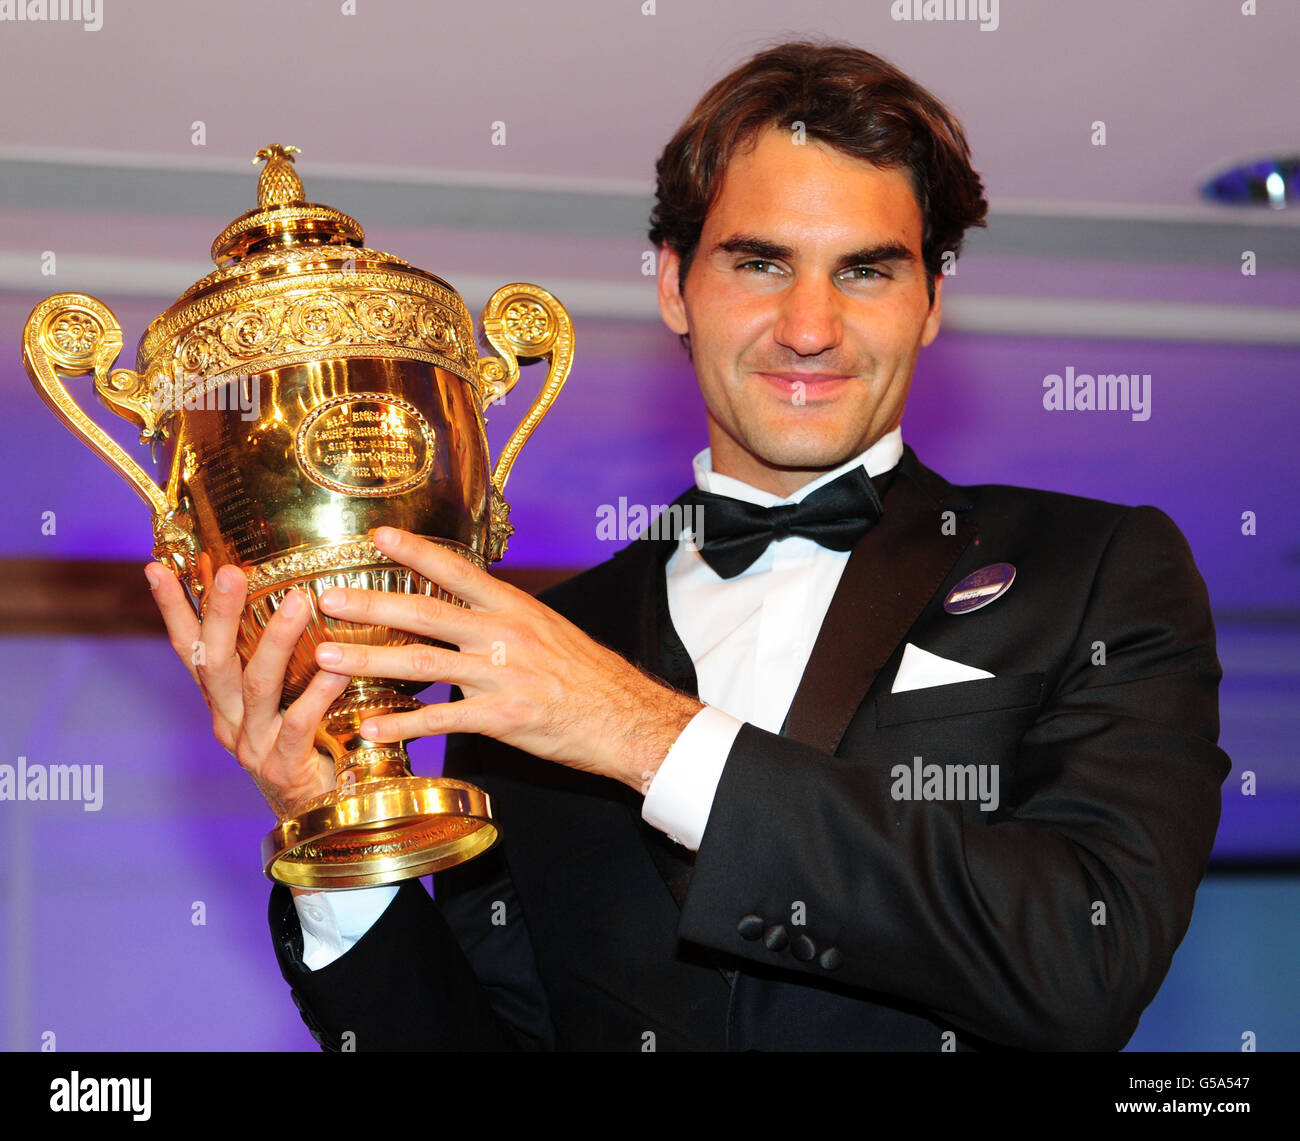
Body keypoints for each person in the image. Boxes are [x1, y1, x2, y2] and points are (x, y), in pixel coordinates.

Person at [147, 40, 1230, 1051]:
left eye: (865, 270)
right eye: (759, 264)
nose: (809, 325)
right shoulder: (530, 649)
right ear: (673, 283)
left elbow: (1086, 956)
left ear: (931, 299)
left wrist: (636, 732)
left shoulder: (1096, 568)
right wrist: (335, 834)